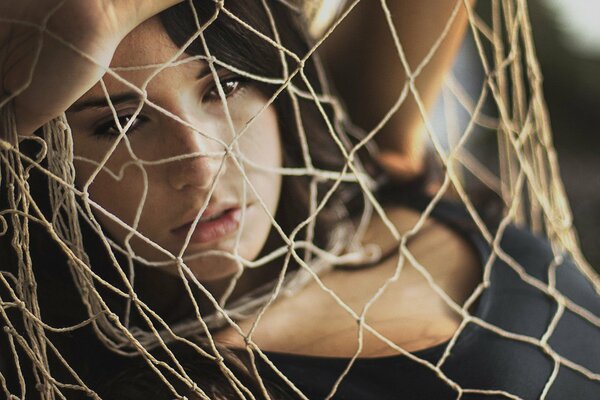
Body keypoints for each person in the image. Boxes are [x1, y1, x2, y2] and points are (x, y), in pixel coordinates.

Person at [1, 0, 599, 399]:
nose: (202, 165)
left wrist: (107, 10)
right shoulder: (156, 381)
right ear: (33, 163)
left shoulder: (368, 164)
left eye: (225, 86)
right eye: (119, 125)